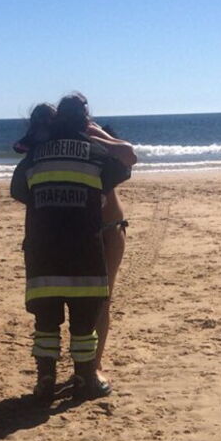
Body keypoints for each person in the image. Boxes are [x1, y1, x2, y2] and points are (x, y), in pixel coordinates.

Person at [10, 93, 131, 403]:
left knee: (46, 322)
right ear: (84, 120)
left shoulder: (36, 156)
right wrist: (96, 137)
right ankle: (85, 376)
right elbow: (125, 162)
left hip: (44, 249)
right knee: (84, 320)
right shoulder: (94, 152)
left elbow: (20, 191)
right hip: (85, 249)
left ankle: (45, 380)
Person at [84, 123, 136, 386]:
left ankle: (94, 363)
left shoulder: (108, 162)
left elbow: (129, 155)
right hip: (99, 230)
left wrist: (100, 136)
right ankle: (90, 364)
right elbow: (129, 154)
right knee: (95, 301)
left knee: (102, 300)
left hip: (110, 230)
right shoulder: (90, 158)